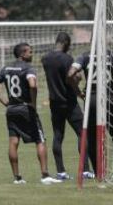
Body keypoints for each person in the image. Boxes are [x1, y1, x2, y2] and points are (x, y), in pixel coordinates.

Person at [0, 42, 61, 185]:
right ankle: (45, 175)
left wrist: (4, 101)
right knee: (40, 140)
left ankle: (17, 178)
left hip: (11, 110)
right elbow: (32, 84)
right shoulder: (28, 68)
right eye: (29, 52)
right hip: (25, 108)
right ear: (22, 54)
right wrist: (33, 103)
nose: (32, 54)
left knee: (13, 142)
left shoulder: (6, 68)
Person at [68, 47, 113, 178]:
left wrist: (78, 92)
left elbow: (70, 74)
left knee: (92, 137)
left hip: (92, 99)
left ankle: (97, 172)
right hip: (109, 98)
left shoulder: (84, 56)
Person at [41, 32, 93, 180]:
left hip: (54, 103)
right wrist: (78, 85)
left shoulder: (45, 58)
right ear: (66, 43)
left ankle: (61, 172)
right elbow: (72, 77)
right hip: (69, 102)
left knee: (58, 136)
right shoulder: (67, 58)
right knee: (82, 133)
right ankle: (85, 170)